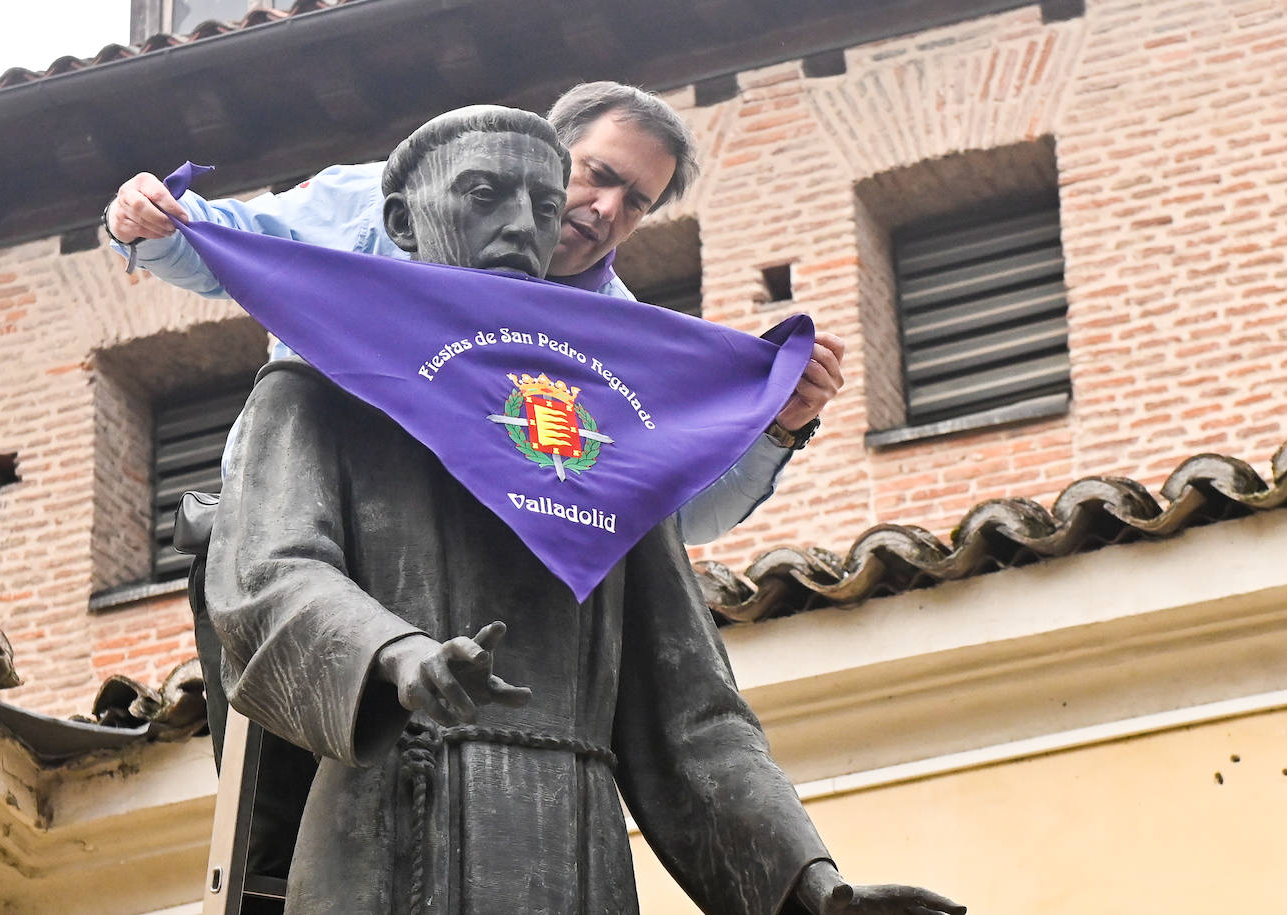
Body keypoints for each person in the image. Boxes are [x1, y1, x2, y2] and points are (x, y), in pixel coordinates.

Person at [206, 104, 963, 915]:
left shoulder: (605, 430)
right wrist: (392, 655)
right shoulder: (319, 384)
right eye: (485, 195)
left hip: (573, 847)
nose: (519, 227)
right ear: (401, 220)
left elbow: (693, 716)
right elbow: (266, 577)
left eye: (540, 205)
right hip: (387, 829)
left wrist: (810, 888)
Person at [105, 81, 845, 545]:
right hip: (301, 529)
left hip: (485, 580)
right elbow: (229, 248)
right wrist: (148, 218)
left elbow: (669, 519)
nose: (610, 208)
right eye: (601, 175)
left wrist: (780, 428)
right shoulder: (378, 199)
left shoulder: (623, 339)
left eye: (638, 202)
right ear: (550, 153)